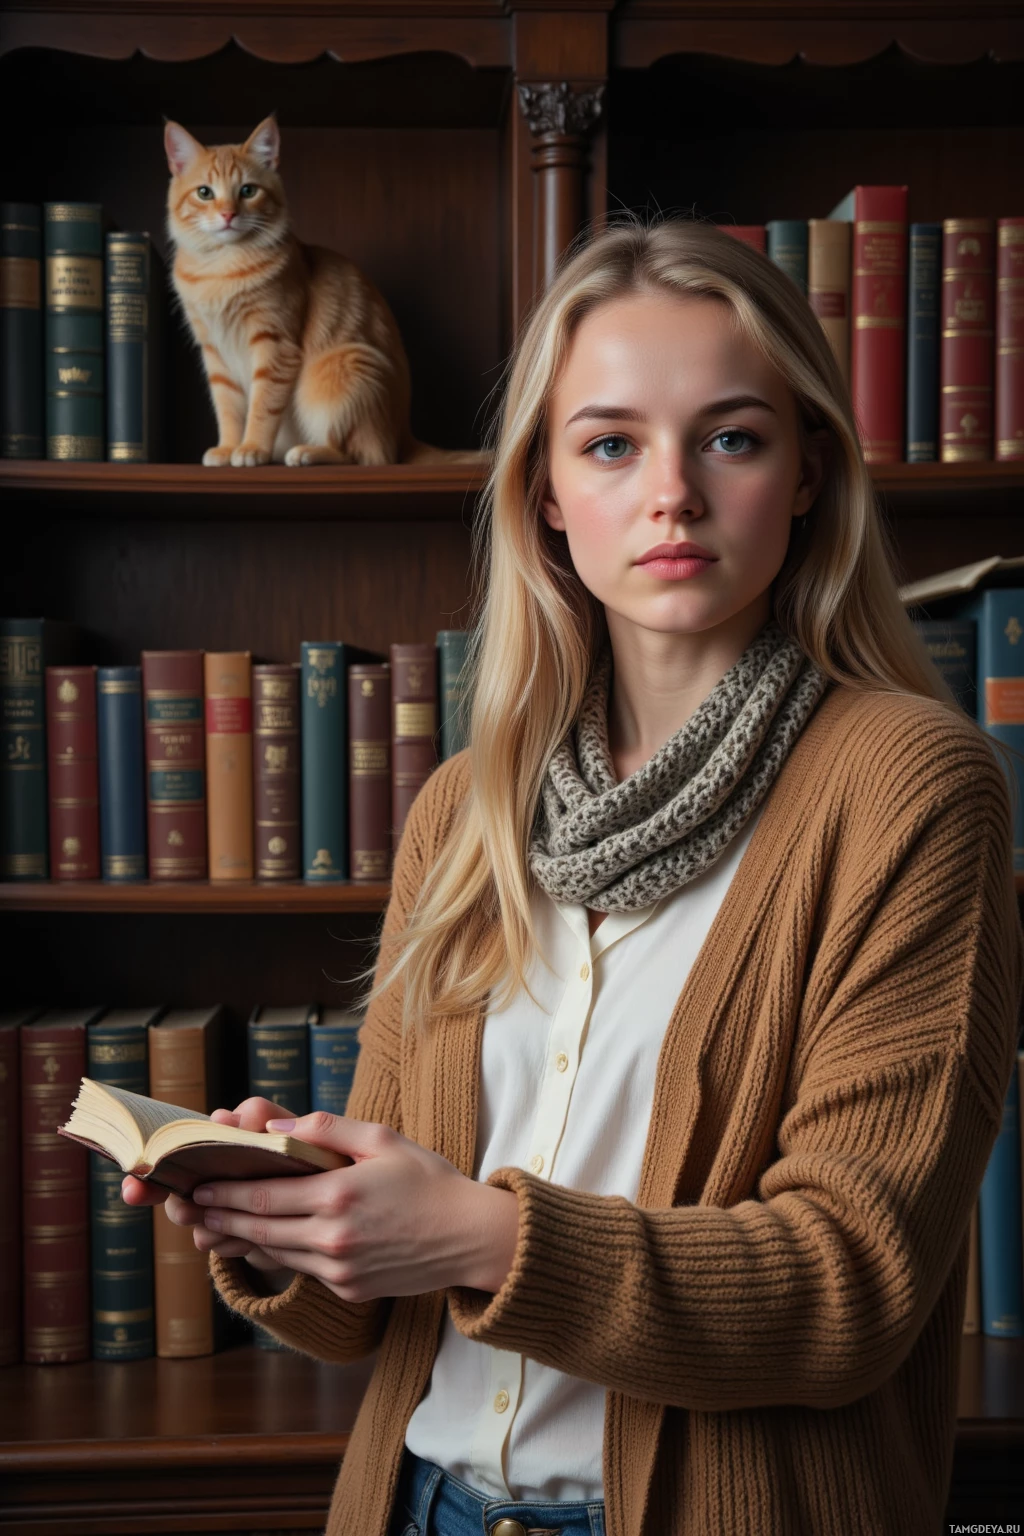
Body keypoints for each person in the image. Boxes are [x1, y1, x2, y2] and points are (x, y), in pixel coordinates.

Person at [123, 214, 1024, 1536]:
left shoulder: (912, 786)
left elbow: (851, 1286)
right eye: (610, 443)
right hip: (418, 1504)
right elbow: (371, 1329)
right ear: (545, 489)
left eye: (731, 436)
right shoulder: (464, 811)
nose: (672, 494)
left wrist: (479, 1237)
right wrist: (287, 1224)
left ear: (811, 470)